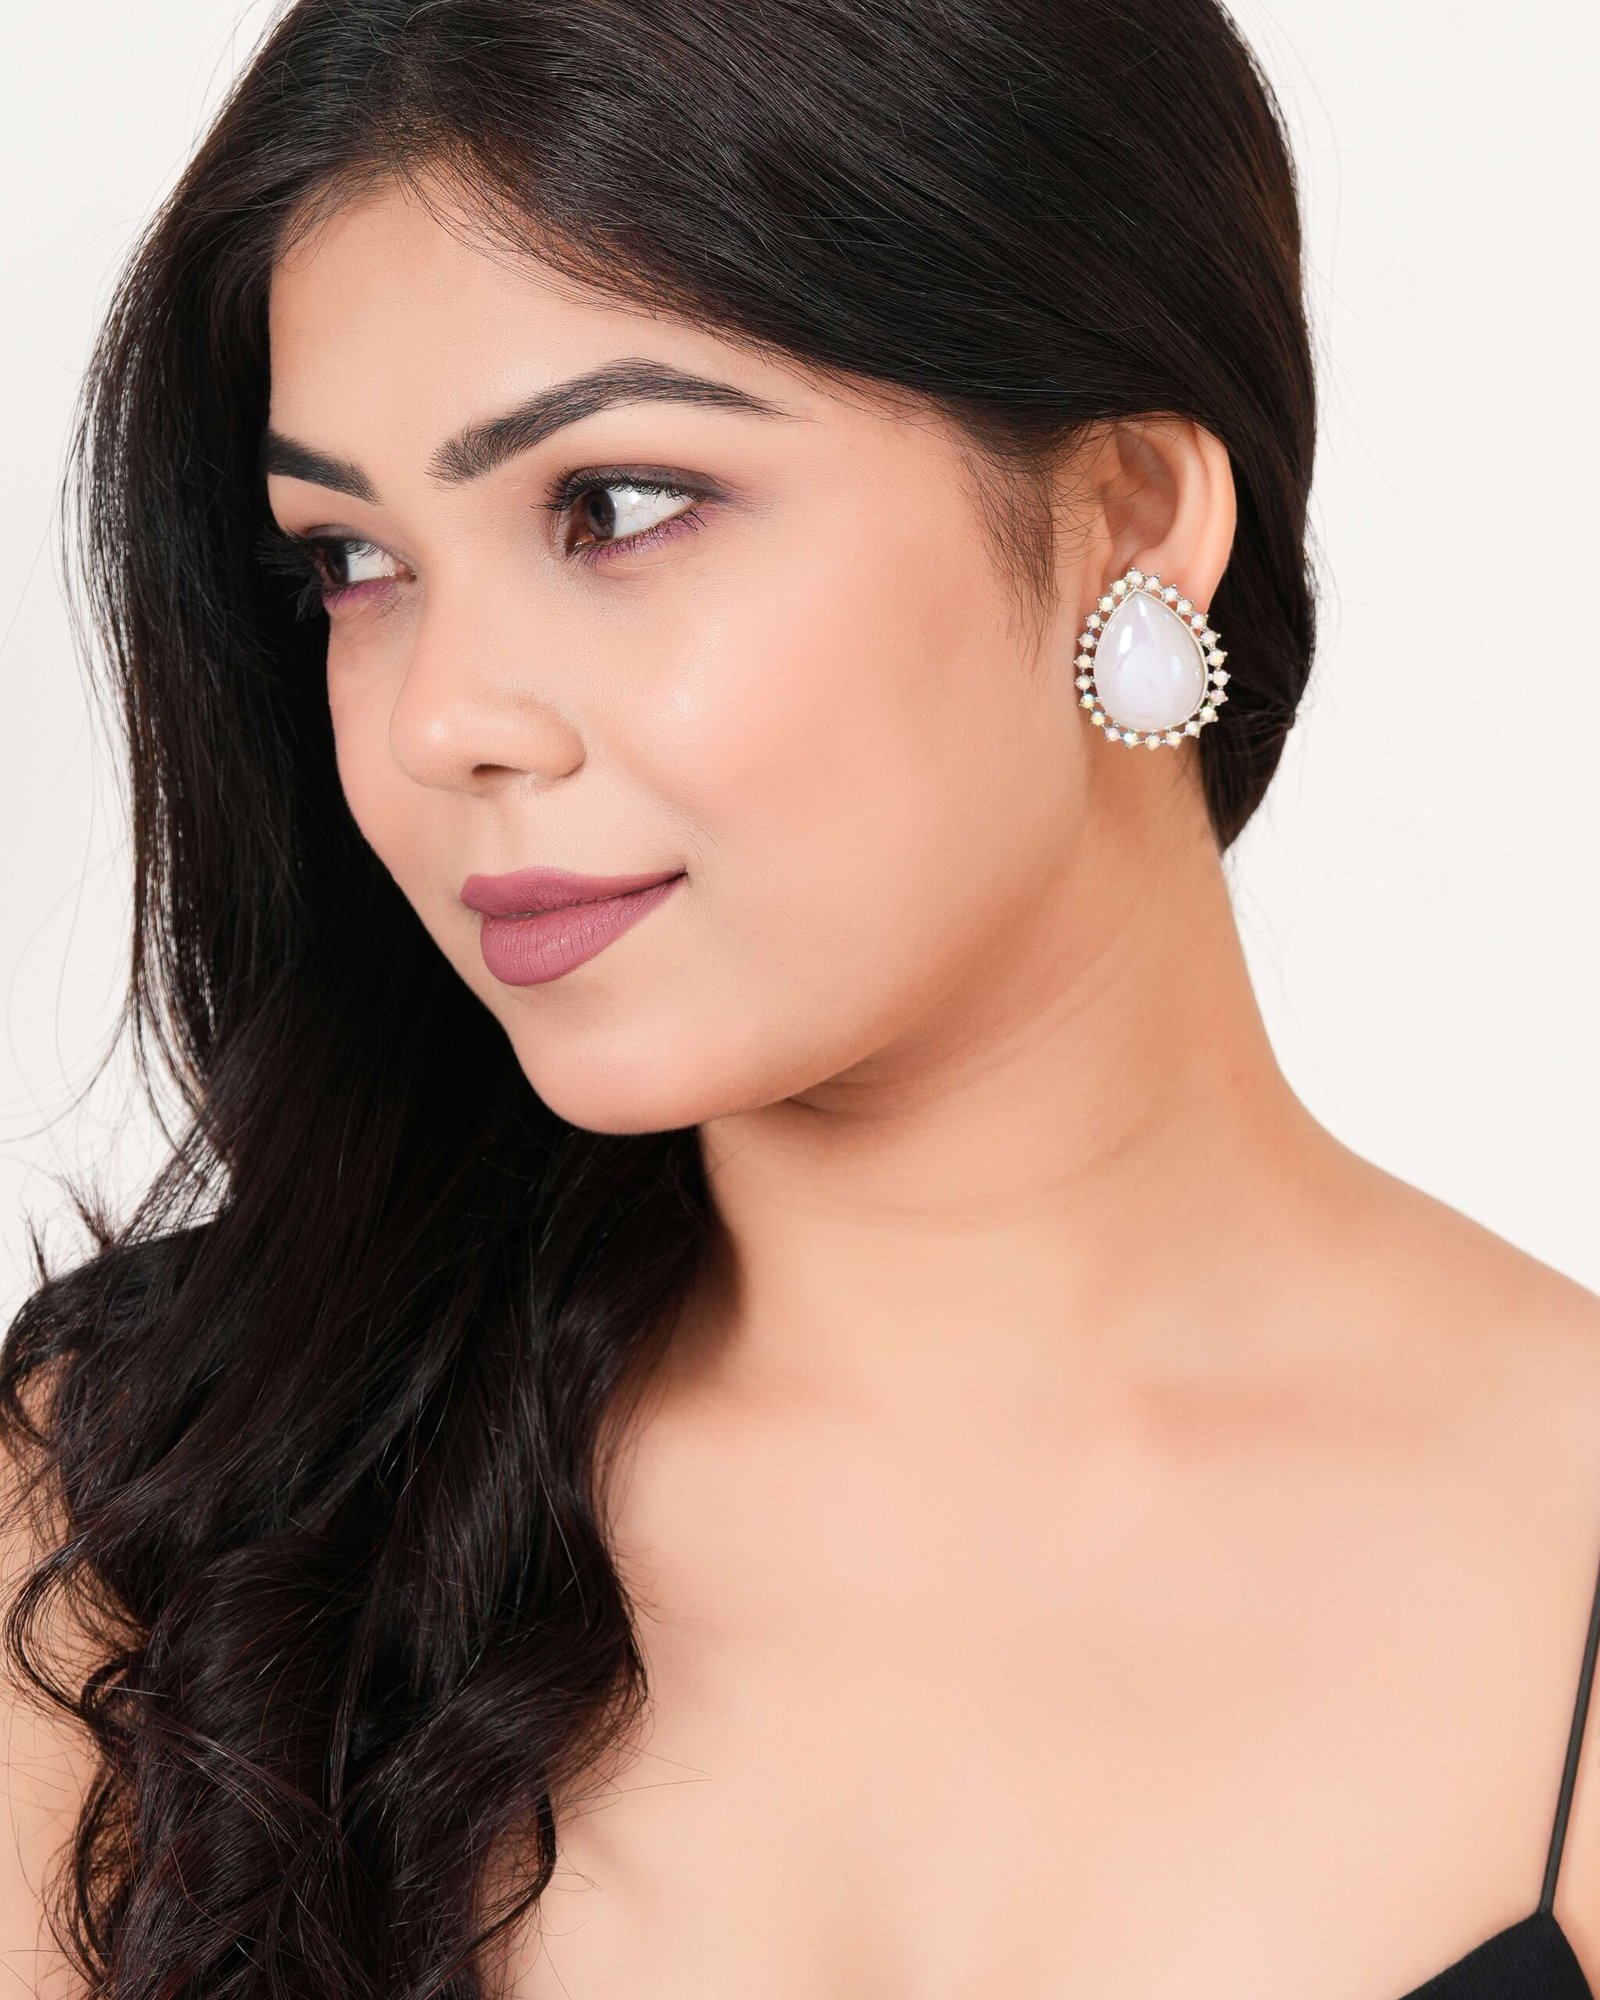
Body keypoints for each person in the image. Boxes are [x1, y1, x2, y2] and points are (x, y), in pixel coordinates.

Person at [4, 1, 1599, 1995]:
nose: (438, 721)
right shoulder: (149, 1515)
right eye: (351, 561)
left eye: (615, 507)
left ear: (1126, 512)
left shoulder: (1560, 1569)